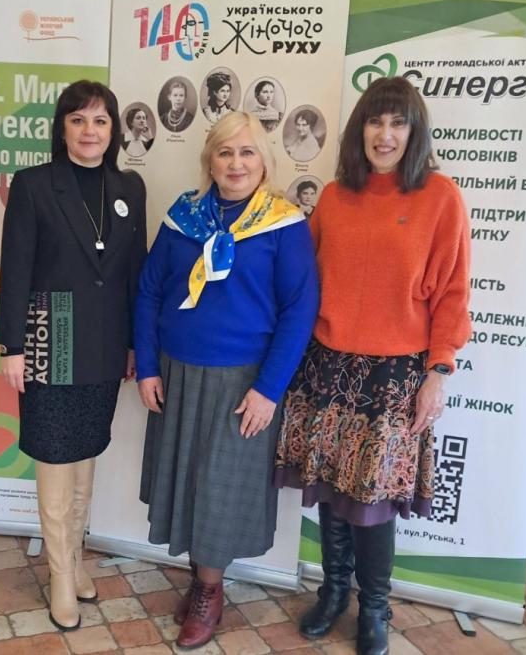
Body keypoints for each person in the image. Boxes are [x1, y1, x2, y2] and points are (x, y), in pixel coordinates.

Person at [274, 77, 470, 655]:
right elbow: (303, 281)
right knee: (332, 489)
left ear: (414, 132)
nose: (384, 134)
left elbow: (453, 293)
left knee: (372, 501)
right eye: (375, 121)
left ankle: (375, 608)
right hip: (327, 365)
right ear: (360, 130)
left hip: (394, 375)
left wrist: (439, 372)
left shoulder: (439, 196)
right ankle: (334, 591)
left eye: (397, 123)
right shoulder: (336, 196)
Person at [134, 111, 318, 649]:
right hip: (177, 373)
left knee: (219, 489)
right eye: (225, 152)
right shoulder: (183, 216)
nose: (236, 164)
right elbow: (149, 291)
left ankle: (209, 591)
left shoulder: (284, 224)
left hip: (243, 383)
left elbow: (299, 310)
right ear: (209, 161)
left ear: (264, 162)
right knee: (187, 482)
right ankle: (201, 581)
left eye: (247, 152)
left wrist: (269, 390)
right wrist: (147, 366)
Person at [0, 80, 146, 632]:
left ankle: (76, 559)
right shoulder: (35, 185)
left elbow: (135, 273)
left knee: (85, 452)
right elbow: (15, 269)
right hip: (52, 334)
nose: (90, 131)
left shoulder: (129, 186)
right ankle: (60, 575)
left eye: (101, 120)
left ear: (113, 130)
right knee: (55, 455)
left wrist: (136, 344)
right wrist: (12, 345)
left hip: (107, 343)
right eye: (79, 119)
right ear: (62, 128)